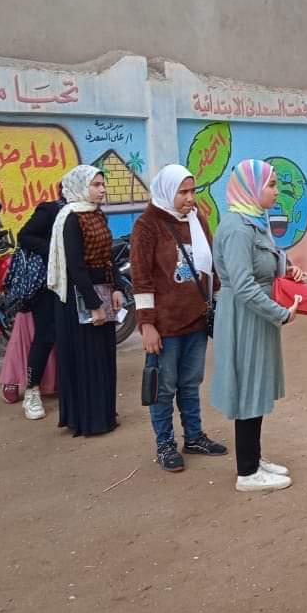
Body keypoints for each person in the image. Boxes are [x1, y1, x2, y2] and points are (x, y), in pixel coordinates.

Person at [210, 159, 304, 493]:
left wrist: (287, 270)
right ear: (251, 188)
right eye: (271, 185)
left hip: (255, 316)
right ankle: (247, 472)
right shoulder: (238, 228)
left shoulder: (252, 222)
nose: (276, 191)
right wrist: (280, 313)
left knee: (256, 385)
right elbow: (243, 284)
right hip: (245, 317)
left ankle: (254, 457)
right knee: (249, 386)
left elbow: (264, 263)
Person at [131, 164, 227, 473]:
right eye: (182, 192)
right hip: (165, 326)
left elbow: (211, 266)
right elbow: (141, 278)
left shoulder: (197, 219)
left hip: (196, 319)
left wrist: (219, 300)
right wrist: (147, 324)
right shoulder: (148, 224)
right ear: (166, 191)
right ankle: (165, 444)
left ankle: (194, 437)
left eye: (192, 191)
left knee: (190, 383)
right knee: (164, 388)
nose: (190, 198)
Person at [46, 165, 124, 437]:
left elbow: (108, 255)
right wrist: (94, 305)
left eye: (102, 184)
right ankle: (88, 420)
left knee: (103, 356)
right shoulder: (70, 218)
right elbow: (75, 266)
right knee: (86, 357)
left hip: (102, 289)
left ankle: (104, 414)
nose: (102, 190)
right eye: (96, 185)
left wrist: (116, 288)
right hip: (79, 297)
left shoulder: (96, 214)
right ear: (80, 187)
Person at [5, 193, 65, 419]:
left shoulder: (89, 213)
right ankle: (32, 391)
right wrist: (55, 250)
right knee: (45, 336)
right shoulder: (50, 210)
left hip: (74, 285)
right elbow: (25, 236)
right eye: (95, 185)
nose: (101, 190)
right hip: (46, 285)